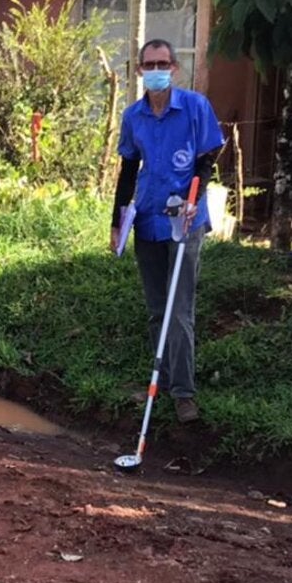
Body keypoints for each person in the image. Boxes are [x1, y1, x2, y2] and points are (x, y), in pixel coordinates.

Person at [112, 39, 224, 424]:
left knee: (180, 309)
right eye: (149, 64)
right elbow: (128, 170)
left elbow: (208, 157)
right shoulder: (133, 116)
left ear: (174, 68)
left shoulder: (195, 107)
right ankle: (158, 379)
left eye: (163, 63)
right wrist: (116, 223)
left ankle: (183, 393)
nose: (156, 70)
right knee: (157, 308)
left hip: (185, 219)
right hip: (147, 217)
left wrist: (196, 196)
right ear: (140, 70)